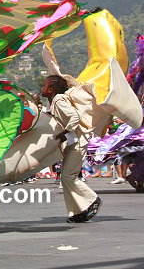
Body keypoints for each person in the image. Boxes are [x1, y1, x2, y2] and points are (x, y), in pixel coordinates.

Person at [41, 75, 102, 223]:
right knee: (66, 177)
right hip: (72, 143)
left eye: (44, 85)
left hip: (77, 143)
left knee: (69, 177)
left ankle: (92, 199)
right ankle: (78, 211)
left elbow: (75, 117)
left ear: (51, 89)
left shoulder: (58, 100)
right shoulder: (55, 102)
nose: (42, 88)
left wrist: (65, 132)